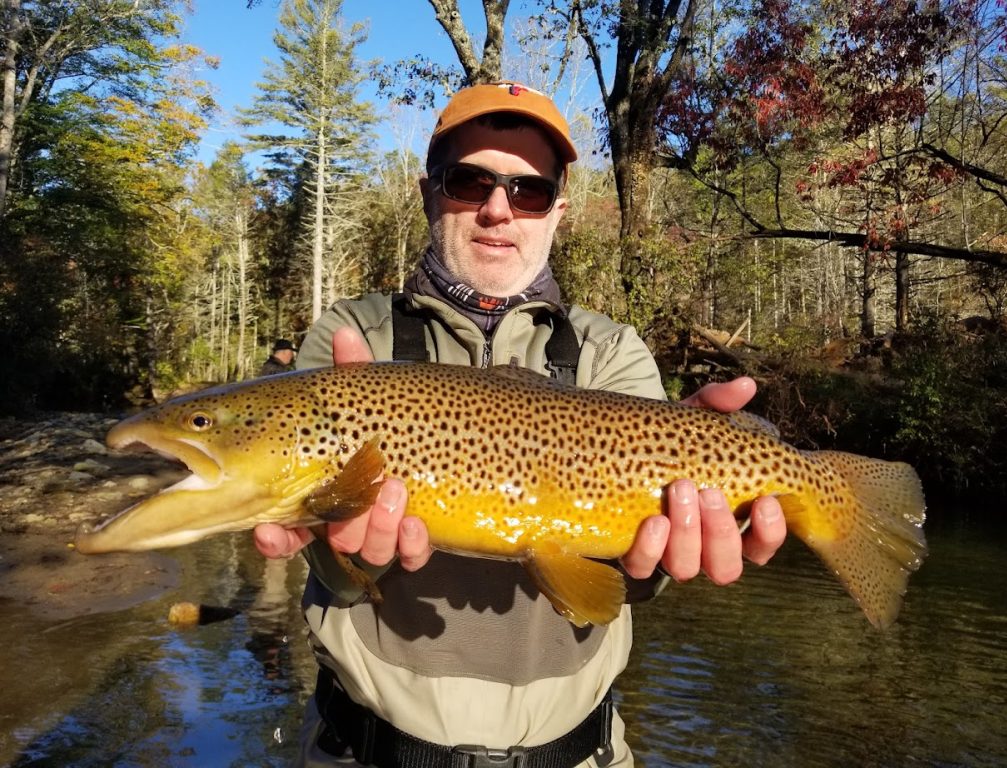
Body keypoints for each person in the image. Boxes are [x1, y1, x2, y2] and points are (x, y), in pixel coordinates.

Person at [253, 81, 788, 767]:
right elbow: (324, 550)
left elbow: (632, 577)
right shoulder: (356, 337)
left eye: (527, 190)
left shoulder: (609, 351)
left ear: (557, 213)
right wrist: (339, 542)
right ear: (428, 193)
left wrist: (690, 494)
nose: (497, 209)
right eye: (468, 181)